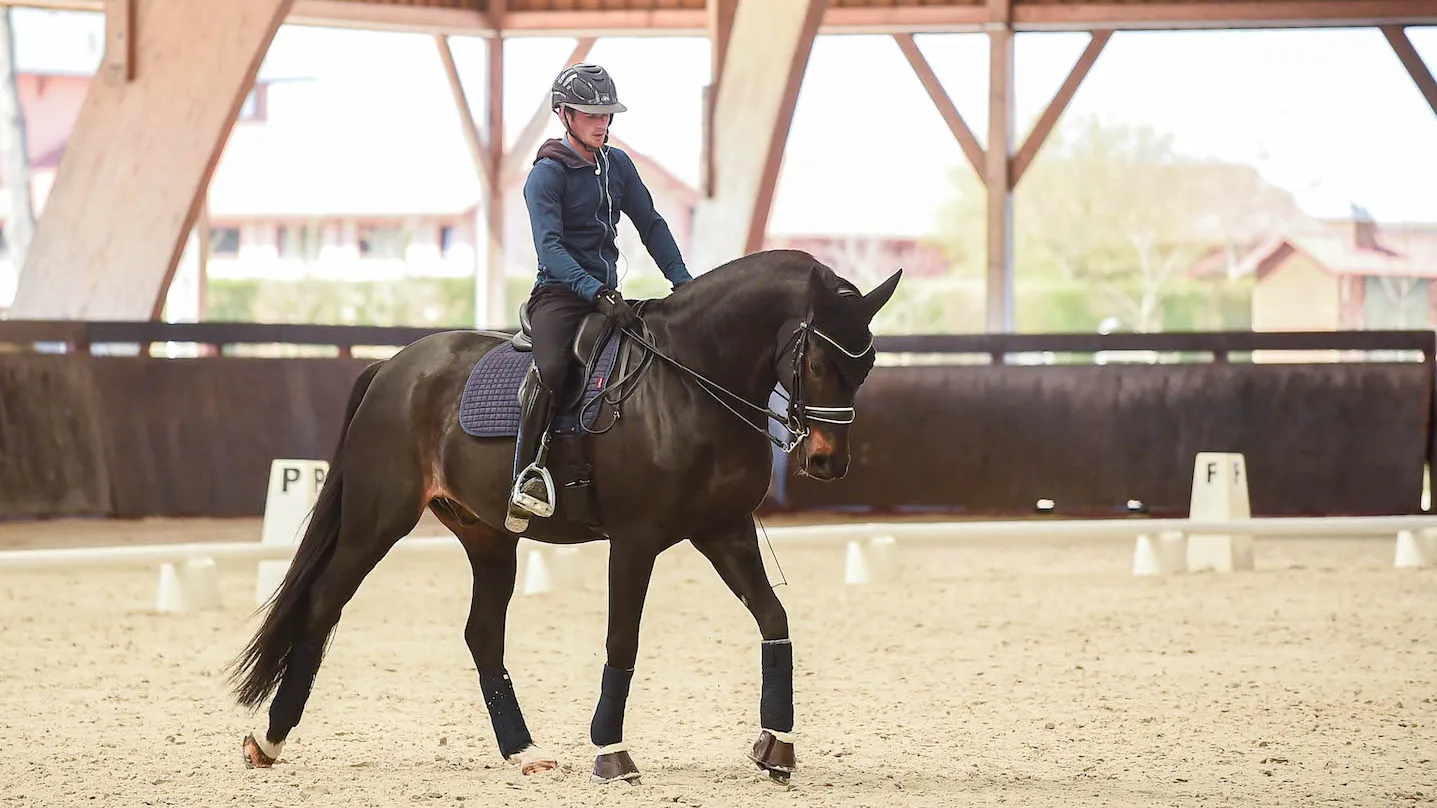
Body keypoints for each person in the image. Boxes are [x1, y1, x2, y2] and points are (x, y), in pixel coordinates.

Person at [509, 62, 693, 525]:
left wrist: (685, 284)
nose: (601, 123)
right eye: (590, 114)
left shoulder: (619, 166)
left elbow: (651, 224)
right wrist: (594, 291)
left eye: (606, 114)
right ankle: (525, 474)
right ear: (564, 114)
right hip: (559, 296)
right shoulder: (545, 176)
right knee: (551, 368)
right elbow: (550, 250)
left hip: (604, 295)